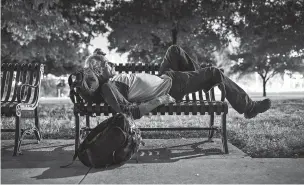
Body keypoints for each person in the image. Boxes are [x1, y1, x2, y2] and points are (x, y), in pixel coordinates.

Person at [83, 45, 271, 120]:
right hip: (173, 86)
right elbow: (128, 112)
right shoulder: (109, 87)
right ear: (99, 70)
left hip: (165, 77)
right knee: (214, 72)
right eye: (108, 64)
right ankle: (249, 107)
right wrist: (158, 101)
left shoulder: (112, 81)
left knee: (174, 51)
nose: (113, 64)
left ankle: (206, 79)